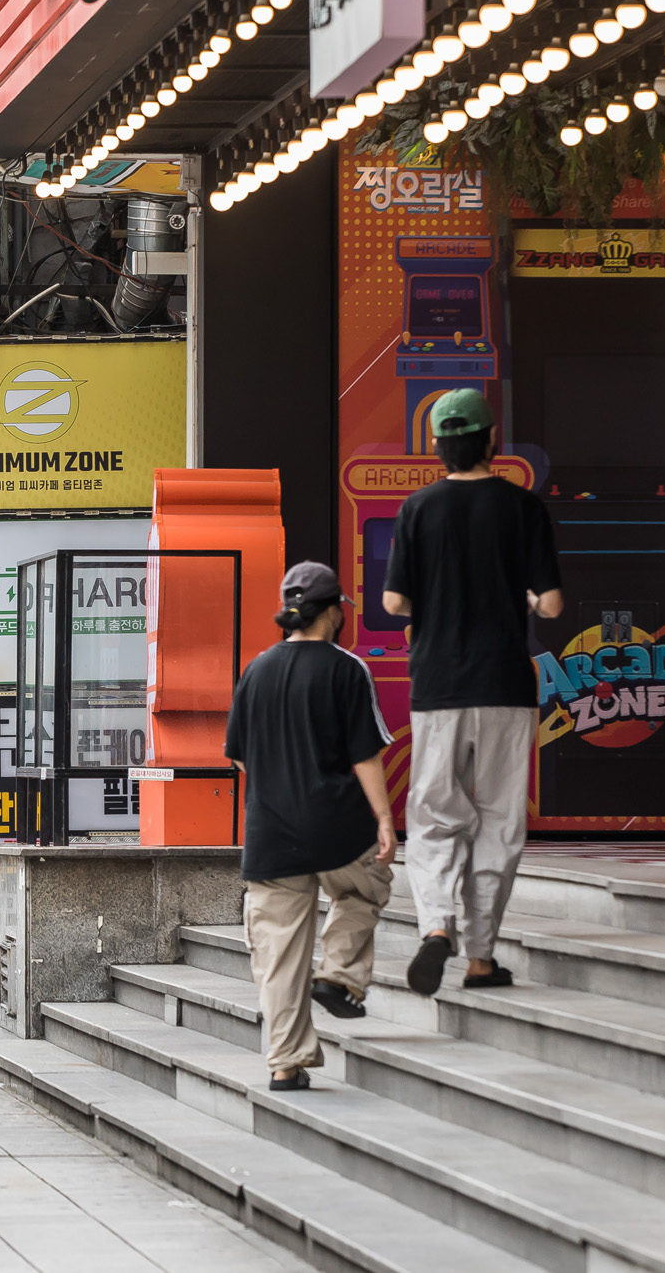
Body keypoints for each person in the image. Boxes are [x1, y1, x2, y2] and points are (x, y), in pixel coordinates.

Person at [383, 390, 564, 998]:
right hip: (507, 686)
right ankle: (482, 957)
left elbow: (394, 603)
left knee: (434, 818)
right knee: (499, 820)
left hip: (438, 685)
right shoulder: (523, 508)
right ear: (491, 441)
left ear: (438, 446)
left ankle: (437, 926)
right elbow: (553, 603)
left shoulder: (418, 509)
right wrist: (529, 597)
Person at [224, 563, 397, 1091]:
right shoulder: (347, 670)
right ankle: (339, 976)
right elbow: (365, 755)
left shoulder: (256, 670)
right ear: (334, 612)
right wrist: (385, 820)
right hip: (337, 827)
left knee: (276, 955)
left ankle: (286, 1062)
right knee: (364, 890)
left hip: (271, 834)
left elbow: (239, 758)